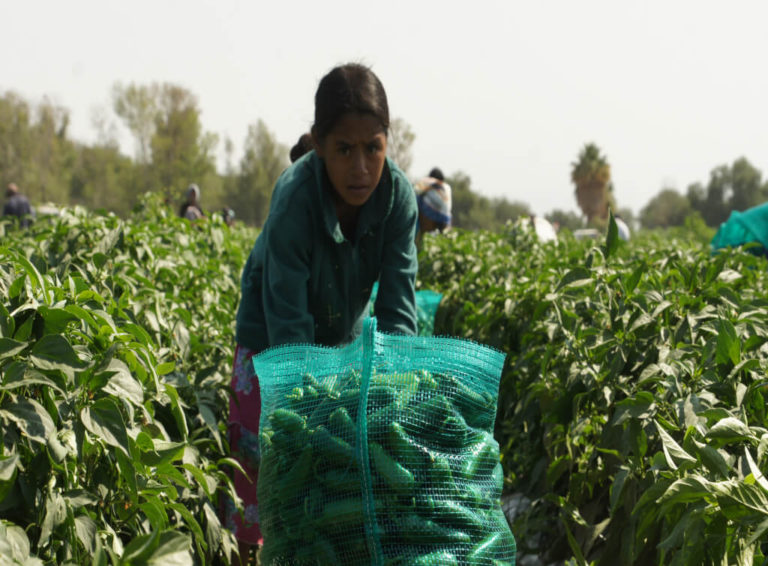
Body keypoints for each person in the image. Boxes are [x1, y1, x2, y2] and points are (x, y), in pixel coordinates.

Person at [228, 62, 418, 564]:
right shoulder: (295, 200)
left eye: (373, 148)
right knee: (263, 469)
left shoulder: (397, 199)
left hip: (341, 337)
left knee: (336, 477)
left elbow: (398, 307)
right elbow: (289, 327)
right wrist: (305, 410)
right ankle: (247, 555)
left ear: (388, 143)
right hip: (271, 341)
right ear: (318, 145)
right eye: (344, 150)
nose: (361, 168)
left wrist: (393, 396)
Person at [413, 168, 452, 245]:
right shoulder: (447, 186)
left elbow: (416, 190)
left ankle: (415, 230)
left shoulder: (428, 181)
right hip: (447, 218)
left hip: (431, 214)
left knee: (416, 198)